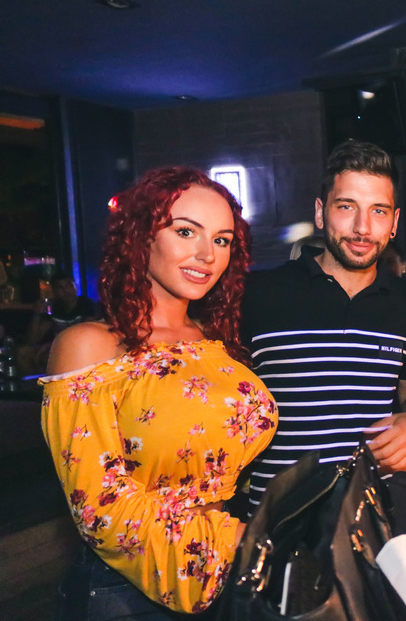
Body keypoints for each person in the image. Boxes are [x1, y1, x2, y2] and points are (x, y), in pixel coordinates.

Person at [40, 167, 278, 617]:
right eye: (185, 231)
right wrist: (236, 539)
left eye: (222, 240)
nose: (206, 254)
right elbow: (99, 509)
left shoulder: (216, 342)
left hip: (226, 574)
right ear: (141, 236)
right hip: (125, 589)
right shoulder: (89, 345)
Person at [241, 140, 406, 515]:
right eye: (346, 206)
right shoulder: (258, 294)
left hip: (371, 525)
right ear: (321, 213)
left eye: (378, 211)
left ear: (394, 223)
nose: (362, 228)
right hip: (276, 528)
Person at [22, 271, 99, 374]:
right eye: (60, 288)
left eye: (69, 285)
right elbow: (33, 339)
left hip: (80, 348)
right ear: (54, 291)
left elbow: (88, 335)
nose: (66, 291)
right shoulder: (53, 307)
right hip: (58, 349)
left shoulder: (86, 304)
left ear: (75, 286)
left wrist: (53, 344)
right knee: (24, 352)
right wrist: (37, 313)